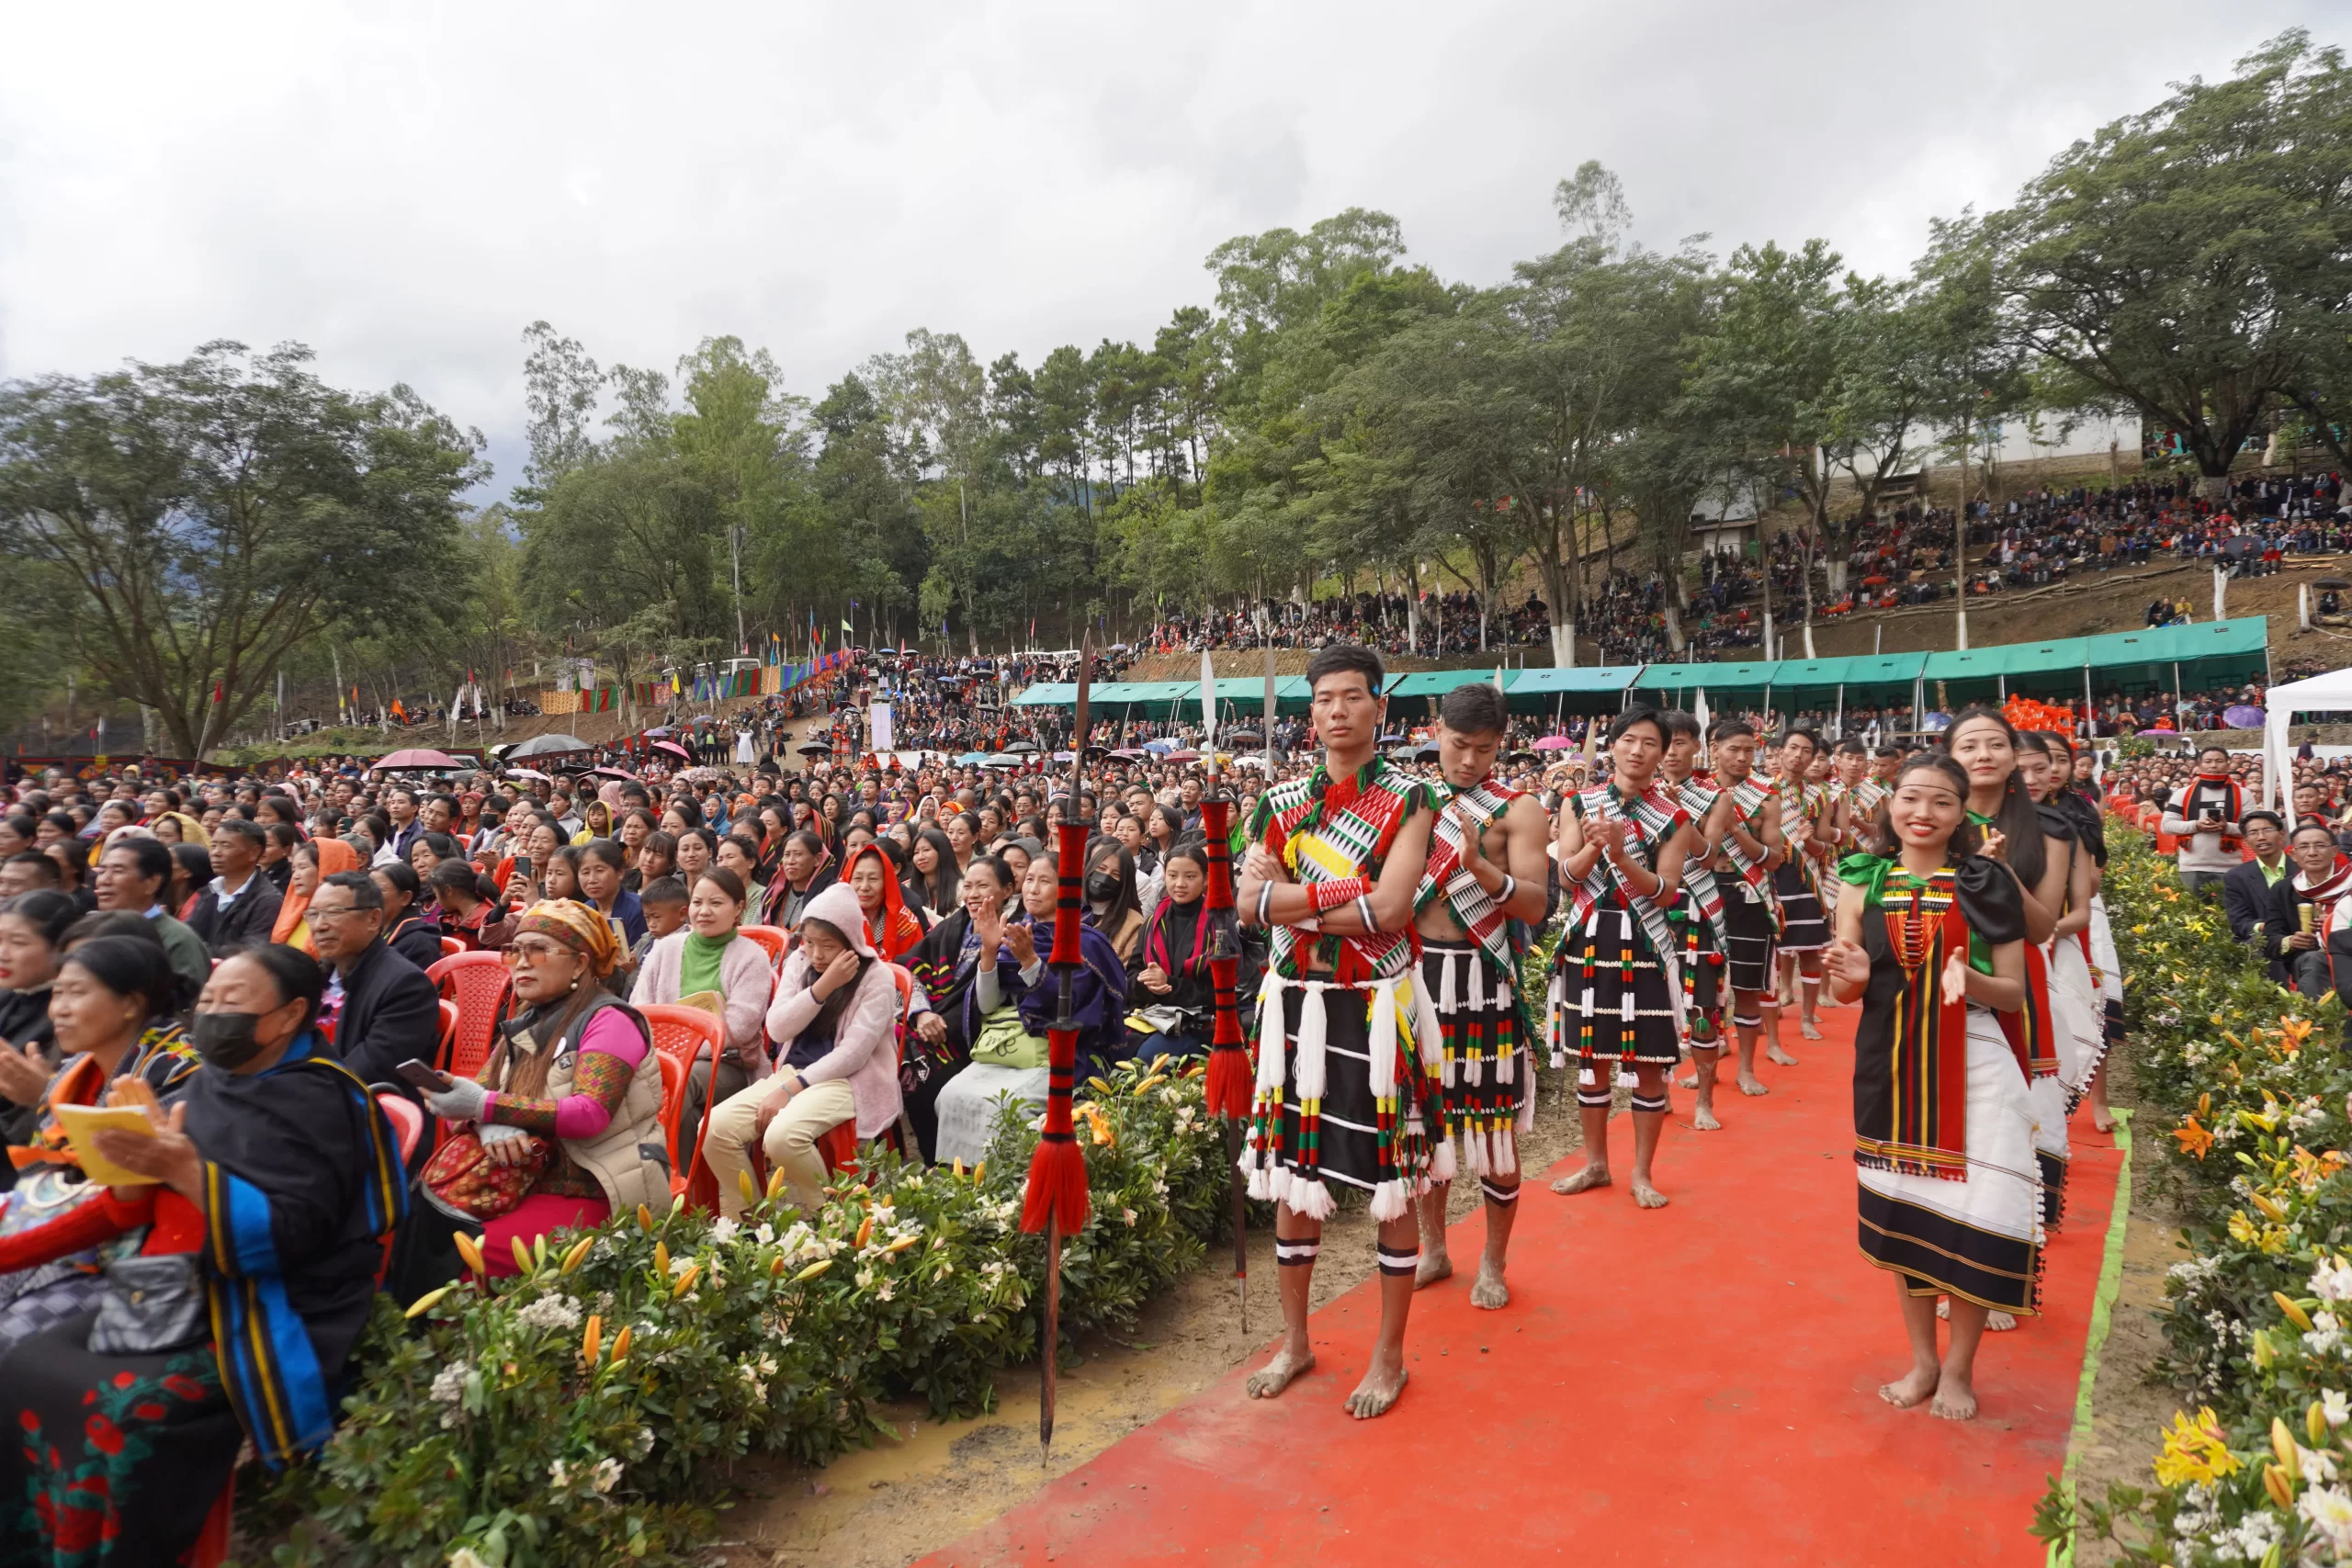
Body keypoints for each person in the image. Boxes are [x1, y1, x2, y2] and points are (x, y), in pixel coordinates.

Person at [0, 943, 407, 1564]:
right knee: (21, 1362)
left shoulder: (319, 1098)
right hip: (169, 1285)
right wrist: (133, 1168)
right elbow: (129, 1206)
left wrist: (185, 1169)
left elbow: (289, 1237)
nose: (213, 1014)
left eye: (234, 1002)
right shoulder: (215, 1081)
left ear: (290, 1014)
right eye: (209, 1000)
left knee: (115, 1409)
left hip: (266, 1304)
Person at [1236, 644, 1438, 1420]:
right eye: (1324, 698)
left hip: (1379, 1005)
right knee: (1293, 1177)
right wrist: (1344, 890)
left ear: (1380, 707)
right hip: (1296, 1004)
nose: (1338, 710)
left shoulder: (1412, 797)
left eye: (1353, 696)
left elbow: (1390, 912)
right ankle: (1296, 1339)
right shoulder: (1277, 800)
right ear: (1310, 710)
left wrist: (1288, 898)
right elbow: (1246, 902)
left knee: (1391, 1186)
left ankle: (1389, 1355)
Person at [1824, 751, 2039, 1422]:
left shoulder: (1983, 881)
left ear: (1961, 814)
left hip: (1975, 1064)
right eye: (1911, 798)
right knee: (1906, 1213)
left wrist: (1967, 982)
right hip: (1888, 1064)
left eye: (1941, 802)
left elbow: (2014, 989)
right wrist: (1853, 970)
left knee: (1977, 1213)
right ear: (1890, 806)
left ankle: (1959, 1368)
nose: (1924, 813)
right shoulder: (1861, 882)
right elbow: (1843, 988)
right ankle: (1921, 1361)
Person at [421, 900, 667, 1273]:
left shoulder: (611, 1020)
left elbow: (590, 1114)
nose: (521, 962)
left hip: (598, 1184)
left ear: (580, 963)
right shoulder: (528, 1021)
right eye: (515, 951)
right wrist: (490, 1124)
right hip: (526, 1178)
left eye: (537, 950)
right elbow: (481, 1094)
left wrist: (486, 1108)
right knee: (425, 1224)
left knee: (470, 1248)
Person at [1408, 682, 1551, 1308]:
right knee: (1424, 1125)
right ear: (1437, 730)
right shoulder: (1408, 798)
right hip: (1418, 973)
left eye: (1485, 749)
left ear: (1502, 745)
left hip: (1484, 976)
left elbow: (1535, 903)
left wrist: (1479, 866)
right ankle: (1434, 1248)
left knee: (1494, 1132)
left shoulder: (1519, 809)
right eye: (1459, 744)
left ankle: (1493, 1261)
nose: (1469, 761)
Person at [0, 934, 198, 1337]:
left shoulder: (177, 1079)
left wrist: (10, 1253)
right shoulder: (73, 1072)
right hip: (56, 1237)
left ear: (131, 1003)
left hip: (130, 1263)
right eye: (58, 993)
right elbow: (44, 1178)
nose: (59, 1010)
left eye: (77, 993)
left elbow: (123, 1209)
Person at [1549, 707, 1698, 1211]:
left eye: (1650, 743)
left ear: (1664, 752)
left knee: (1650, 1064)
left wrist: (1622, 854)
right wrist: (1595, 849)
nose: (1638, 751)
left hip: (1646, 943)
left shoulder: (1674, 817)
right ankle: (1595, 1162)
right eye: (1629, 740)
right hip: (1589, 939)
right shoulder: (1578, 802)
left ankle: (1641, 1172)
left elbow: (1665, 894)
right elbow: (1568, 880)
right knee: (1592, 1065)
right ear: (1612, 745)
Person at [702, 883, 905, 1218]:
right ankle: (752, 1219)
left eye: (828, 946)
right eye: (810, 942)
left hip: (851, 1080)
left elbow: (854, 1054)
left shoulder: (876, 976)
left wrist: (790, 1089)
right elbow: (778, 1028)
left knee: (782, 1137)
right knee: (713, 1129)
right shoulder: (800, 962)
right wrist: (823, 986)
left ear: (851, 942)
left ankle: (831, 1217)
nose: (817, 954)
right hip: (793, 1071)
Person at [933, 850, 1129, 1168]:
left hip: (1060, 1052)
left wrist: (1029, 961)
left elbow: (1067, 1010)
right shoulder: (1016, 930)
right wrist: (988, 951)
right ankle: (961, 1188)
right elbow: (987, 1005)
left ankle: (1003, 1194)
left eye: (1044, 881)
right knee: (949, 1097)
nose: (1033, 889)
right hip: (1006, 1047)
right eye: (1029, 881)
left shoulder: (1086, 942)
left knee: (1003, 1110)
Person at [630, 865, 774, 1168]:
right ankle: (681, 1192)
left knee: (683, 1077)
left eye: (716, 903)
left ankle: (645, 1165)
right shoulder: (665, 948)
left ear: (738, 909)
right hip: (662, 1060)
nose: (704, 911)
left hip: (728, 1064)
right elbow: (639, 1008)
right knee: (688, 1117)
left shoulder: (752, 957)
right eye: (697, 902)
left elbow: (740, 1029)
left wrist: (677, 1049)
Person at [307, 871, 442, 1093]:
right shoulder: (318, 974)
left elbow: (368, 1069)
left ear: (373, 919)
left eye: (332, 913)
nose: (319, 926)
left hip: (362, 1110)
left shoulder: (406, 985)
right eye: (313, 915)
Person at [0, 891, 75, 1155]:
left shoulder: (70, 1014)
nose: (3, 953)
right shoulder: (9, 992)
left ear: (60, 949)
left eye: (18, 943)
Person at [1768, 728, 1829, 1045]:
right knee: (1771, 953)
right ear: (1780, 752)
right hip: (1771, 878)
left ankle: (1807, 1018)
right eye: (1793, 748)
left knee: (1809, 951)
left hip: (1806, 880)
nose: (1798, 756)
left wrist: (1810, 841)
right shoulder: (1762, 792)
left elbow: (1823, 849)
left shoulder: (1819, 797)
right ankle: (1771, 1009)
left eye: (1806, 751)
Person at [93, 836, 209, 999]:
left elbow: (186, 1005)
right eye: (102, 870)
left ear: (152, 883)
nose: (104, 880)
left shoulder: (178, 939)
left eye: (118, 871)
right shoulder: (89, 928)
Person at [2265, 820, 2351, 998]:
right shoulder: (2284, 890)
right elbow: (2270, 937)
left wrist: (2334, 926)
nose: (2312, 853)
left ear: (2335, 851)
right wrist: (2291, 942)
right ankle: (2316, 1021)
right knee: (2313, 959)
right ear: (2293, 855)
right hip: (2310, 959)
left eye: (2320, 845)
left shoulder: (2349, 882)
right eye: (2304, 847)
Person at [186, 817, 283, 958]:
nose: (216, 853)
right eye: (213, 846)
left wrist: (197, 950)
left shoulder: (267, 900)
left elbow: (250, 951)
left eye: (226, 846)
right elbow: (190, 934)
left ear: (253, 852)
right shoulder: (209, 891)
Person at [2163, 746, 2245, 893]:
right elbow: (2167, 825)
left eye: (2219, 761)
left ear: (2228, 763)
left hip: (2230, 867)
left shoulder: (2244, 794)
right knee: (2194, 913)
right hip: (2192, 868)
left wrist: (2227, 827)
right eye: (2208, 761)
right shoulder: (2182, 793)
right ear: (2200, 765)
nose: (2213, 765)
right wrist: (2196, 826)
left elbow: (2250, 829)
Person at [272, 836, 363, 956]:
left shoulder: (348, 921)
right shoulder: (297, 913)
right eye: (294, 870)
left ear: (327, 868)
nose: (295, 876)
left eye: (303, 867)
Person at [843, 842, 926, 963]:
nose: (864, 887)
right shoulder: (834, 921)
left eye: (873, 879)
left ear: (887, 883)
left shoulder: (906, 924)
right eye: (857, 878)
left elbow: (918, 968)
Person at [2222, 809, 2290, 951]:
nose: (2261, 837)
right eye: (2253, 833)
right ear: (2246, 841)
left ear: (2281, 834)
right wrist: (2264, 926)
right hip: (2263, 940)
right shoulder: (2236, 877)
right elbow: (2239, 922)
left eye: (2267, 830)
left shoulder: (2302, 868)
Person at [1083, 837, 1148, 974]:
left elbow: (1124, 974)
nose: (1105, 877)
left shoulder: (1135, 923)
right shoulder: (1064, 908)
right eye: (1101, 868)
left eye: (1115, 874)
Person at [373, 860, 446, 970]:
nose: (368, 896)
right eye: (367, 889)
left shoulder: (419, 941)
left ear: (405, 898)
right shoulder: (369, 931)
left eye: (380, 890)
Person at [763, 830, 837, 930]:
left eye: (798, 854)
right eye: (787, 855)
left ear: (817, 859)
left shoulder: (830, 896)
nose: (790, 861)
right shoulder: (771, 895)